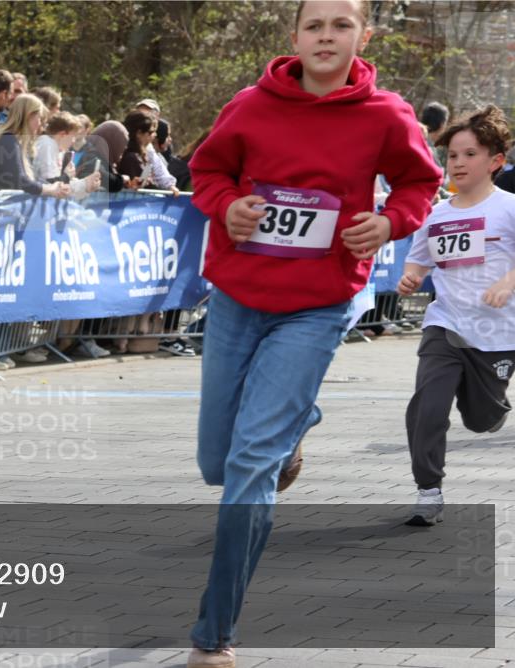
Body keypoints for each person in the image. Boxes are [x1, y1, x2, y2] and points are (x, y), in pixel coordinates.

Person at [184, 1, 441, 666]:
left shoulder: (386, 115)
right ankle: (297, 421)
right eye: (315, 25)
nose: (327, 36)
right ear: (295, 37)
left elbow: (420, 182)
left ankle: (214, 635)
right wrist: (227, 205)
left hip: (320, 304)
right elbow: (206, 172)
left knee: (248, 464)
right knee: (217, 462)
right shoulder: (249, 105)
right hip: (239, 297)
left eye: (342, 25)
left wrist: (390, 223)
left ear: (363, 36)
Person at [396, 105, 514, 527]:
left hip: (497, 334)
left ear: (495, 161)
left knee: (482, 420)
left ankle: (494, 405)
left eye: (470, 154)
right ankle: (428, 489)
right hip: (445, 324)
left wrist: (508, 282)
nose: (459, 163)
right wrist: (411, 278)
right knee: (428, 405)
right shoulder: (437, 213)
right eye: (453, 156)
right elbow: (417, 262)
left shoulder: (509, 208)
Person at [0, 93, 69, 197]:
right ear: (29, 116)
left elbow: (30, 179)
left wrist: (54, 186)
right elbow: (19, 181)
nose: (40, 125)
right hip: (4, 206)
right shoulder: (7, 140)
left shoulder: (10, 140)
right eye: (39, 118)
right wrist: (49, 190)